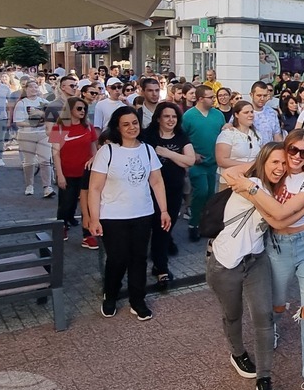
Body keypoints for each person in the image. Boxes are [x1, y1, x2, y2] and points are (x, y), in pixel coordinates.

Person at [236, 128, 304, 390]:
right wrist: (252, 186)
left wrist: (254, 194)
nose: (297, 156)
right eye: (292, 150)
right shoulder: (272, 169)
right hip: (276, 247)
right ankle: (272, 328)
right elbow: (227, 173)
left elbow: (282, 215)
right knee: (275, 305)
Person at [211, 143, 289, 390]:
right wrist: (255, 167)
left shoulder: (271, 188)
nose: (280, 168)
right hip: (225, 263)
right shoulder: (251, 184)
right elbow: (228, 174)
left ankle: (264, 378)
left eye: (284, 163)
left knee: (263, 318)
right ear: (263, 162)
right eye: (274, 162)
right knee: (232, 315)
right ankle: (237, 353)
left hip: (256, 261)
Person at [89, 106, 171, 321]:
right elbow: (95, 188)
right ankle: (111, 295)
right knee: (117, 259)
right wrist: (94, 218)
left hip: (142, 213)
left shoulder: (147, 150)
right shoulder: (107, 152)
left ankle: (138, 299)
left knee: (139, 258)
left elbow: (156, 181)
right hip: (113, 216)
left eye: (134, 123)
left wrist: (163, 210)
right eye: (126, 124)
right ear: (117, 127)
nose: (131, 127)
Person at [142, 101, 195, 287]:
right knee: (153, 228)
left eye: (174, 116)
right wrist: (181, 159)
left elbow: (190, 160)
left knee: (164, 228)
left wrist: (168, 153)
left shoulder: (181, 136)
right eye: (166, 116)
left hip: (173, 190)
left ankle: (160, 265)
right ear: (158, 118)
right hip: (149, 190)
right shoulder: (148, 136)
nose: (171, 120)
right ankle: (159, 266)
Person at [50, 96, 99, 245]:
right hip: (68, 172)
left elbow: (93, 146)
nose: (83, 111)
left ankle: (88, 234)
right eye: (79, 108)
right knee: (66, 204)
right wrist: (60, 175)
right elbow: (55, 153)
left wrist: (95, 161)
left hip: (86, 172)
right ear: (69, 110)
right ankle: (62, 226)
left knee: (88, 204)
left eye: (84, 108)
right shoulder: (59, 127)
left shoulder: (88, 126)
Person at [182, 84, 225, 242]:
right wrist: (191, 153)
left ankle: (205, 224)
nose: (214, 100)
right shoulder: (188, 116)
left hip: (214, 162)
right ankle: (193, 224)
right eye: (211, 97)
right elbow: (182, 137)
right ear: (200, 99)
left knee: (210, 195)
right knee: (201, 191)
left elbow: (223, 134)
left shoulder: (218, 115)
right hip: (197, 162)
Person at [13, 80, 54, 198]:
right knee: (29, 161)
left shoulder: (44, 102)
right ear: (25, 89)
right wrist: (32, 124)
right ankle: (29, 185)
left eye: (36, 87)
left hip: (43, 134)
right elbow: (18, 122)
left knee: (45, 160)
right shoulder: (21, 103)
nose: (34, 89)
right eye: (30, 87)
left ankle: (47, 187)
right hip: (26, 135)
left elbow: (52, 117)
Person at [216, 100, 262, 183]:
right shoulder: (228, 134)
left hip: (251, 180)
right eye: (246, 112)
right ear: (236, 115)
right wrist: (249, 165)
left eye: (251, 112)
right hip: (230, 180)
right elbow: (221, 160)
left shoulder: (257, 134)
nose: (250, 115)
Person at [249, 80, 283, 145]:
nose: (262, 98)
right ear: (251, 95)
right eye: (259, 95)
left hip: (268, 153)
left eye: (264, 96)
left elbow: (277, 137)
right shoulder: (243, 111)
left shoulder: (272, 113)